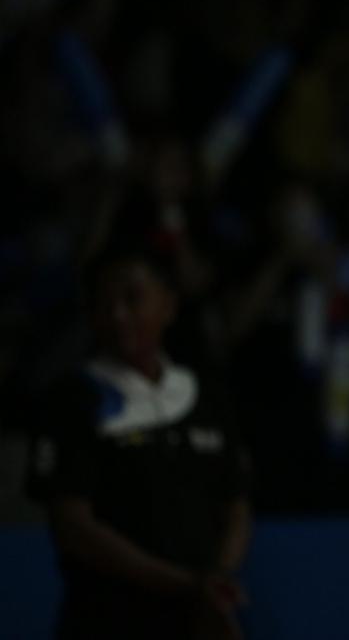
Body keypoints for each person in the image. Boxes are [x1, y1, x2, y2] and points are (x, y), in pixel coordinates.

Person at [27, 245, 251, 640]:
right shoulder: (72, 398)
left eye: (132, 298)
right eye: (104, 303)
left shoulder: (205, 395)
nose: (118, 315)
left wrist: (215, 582)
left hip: (197, 620)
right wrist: (182, 584)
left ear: (168, 305)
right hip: (108, 622)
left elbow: (236, 504)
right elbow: (73, 525)